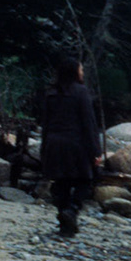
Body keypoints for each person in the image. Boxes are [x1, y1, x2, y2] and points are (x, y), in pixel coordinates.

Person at [39, 54, 102, 237]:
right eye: (81, 69)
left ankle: (66, 225)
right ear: (74, 72)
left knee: (62, 182)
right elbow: (89, 123)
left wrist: (44, 149)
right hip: (76, 144)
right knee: (86, 180)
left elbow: (45, 123)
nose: (83, 72)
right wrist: (96, 151)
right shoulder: (81, 92)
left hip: (54, 143)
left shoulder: (51, 93)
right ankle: (72, 210)